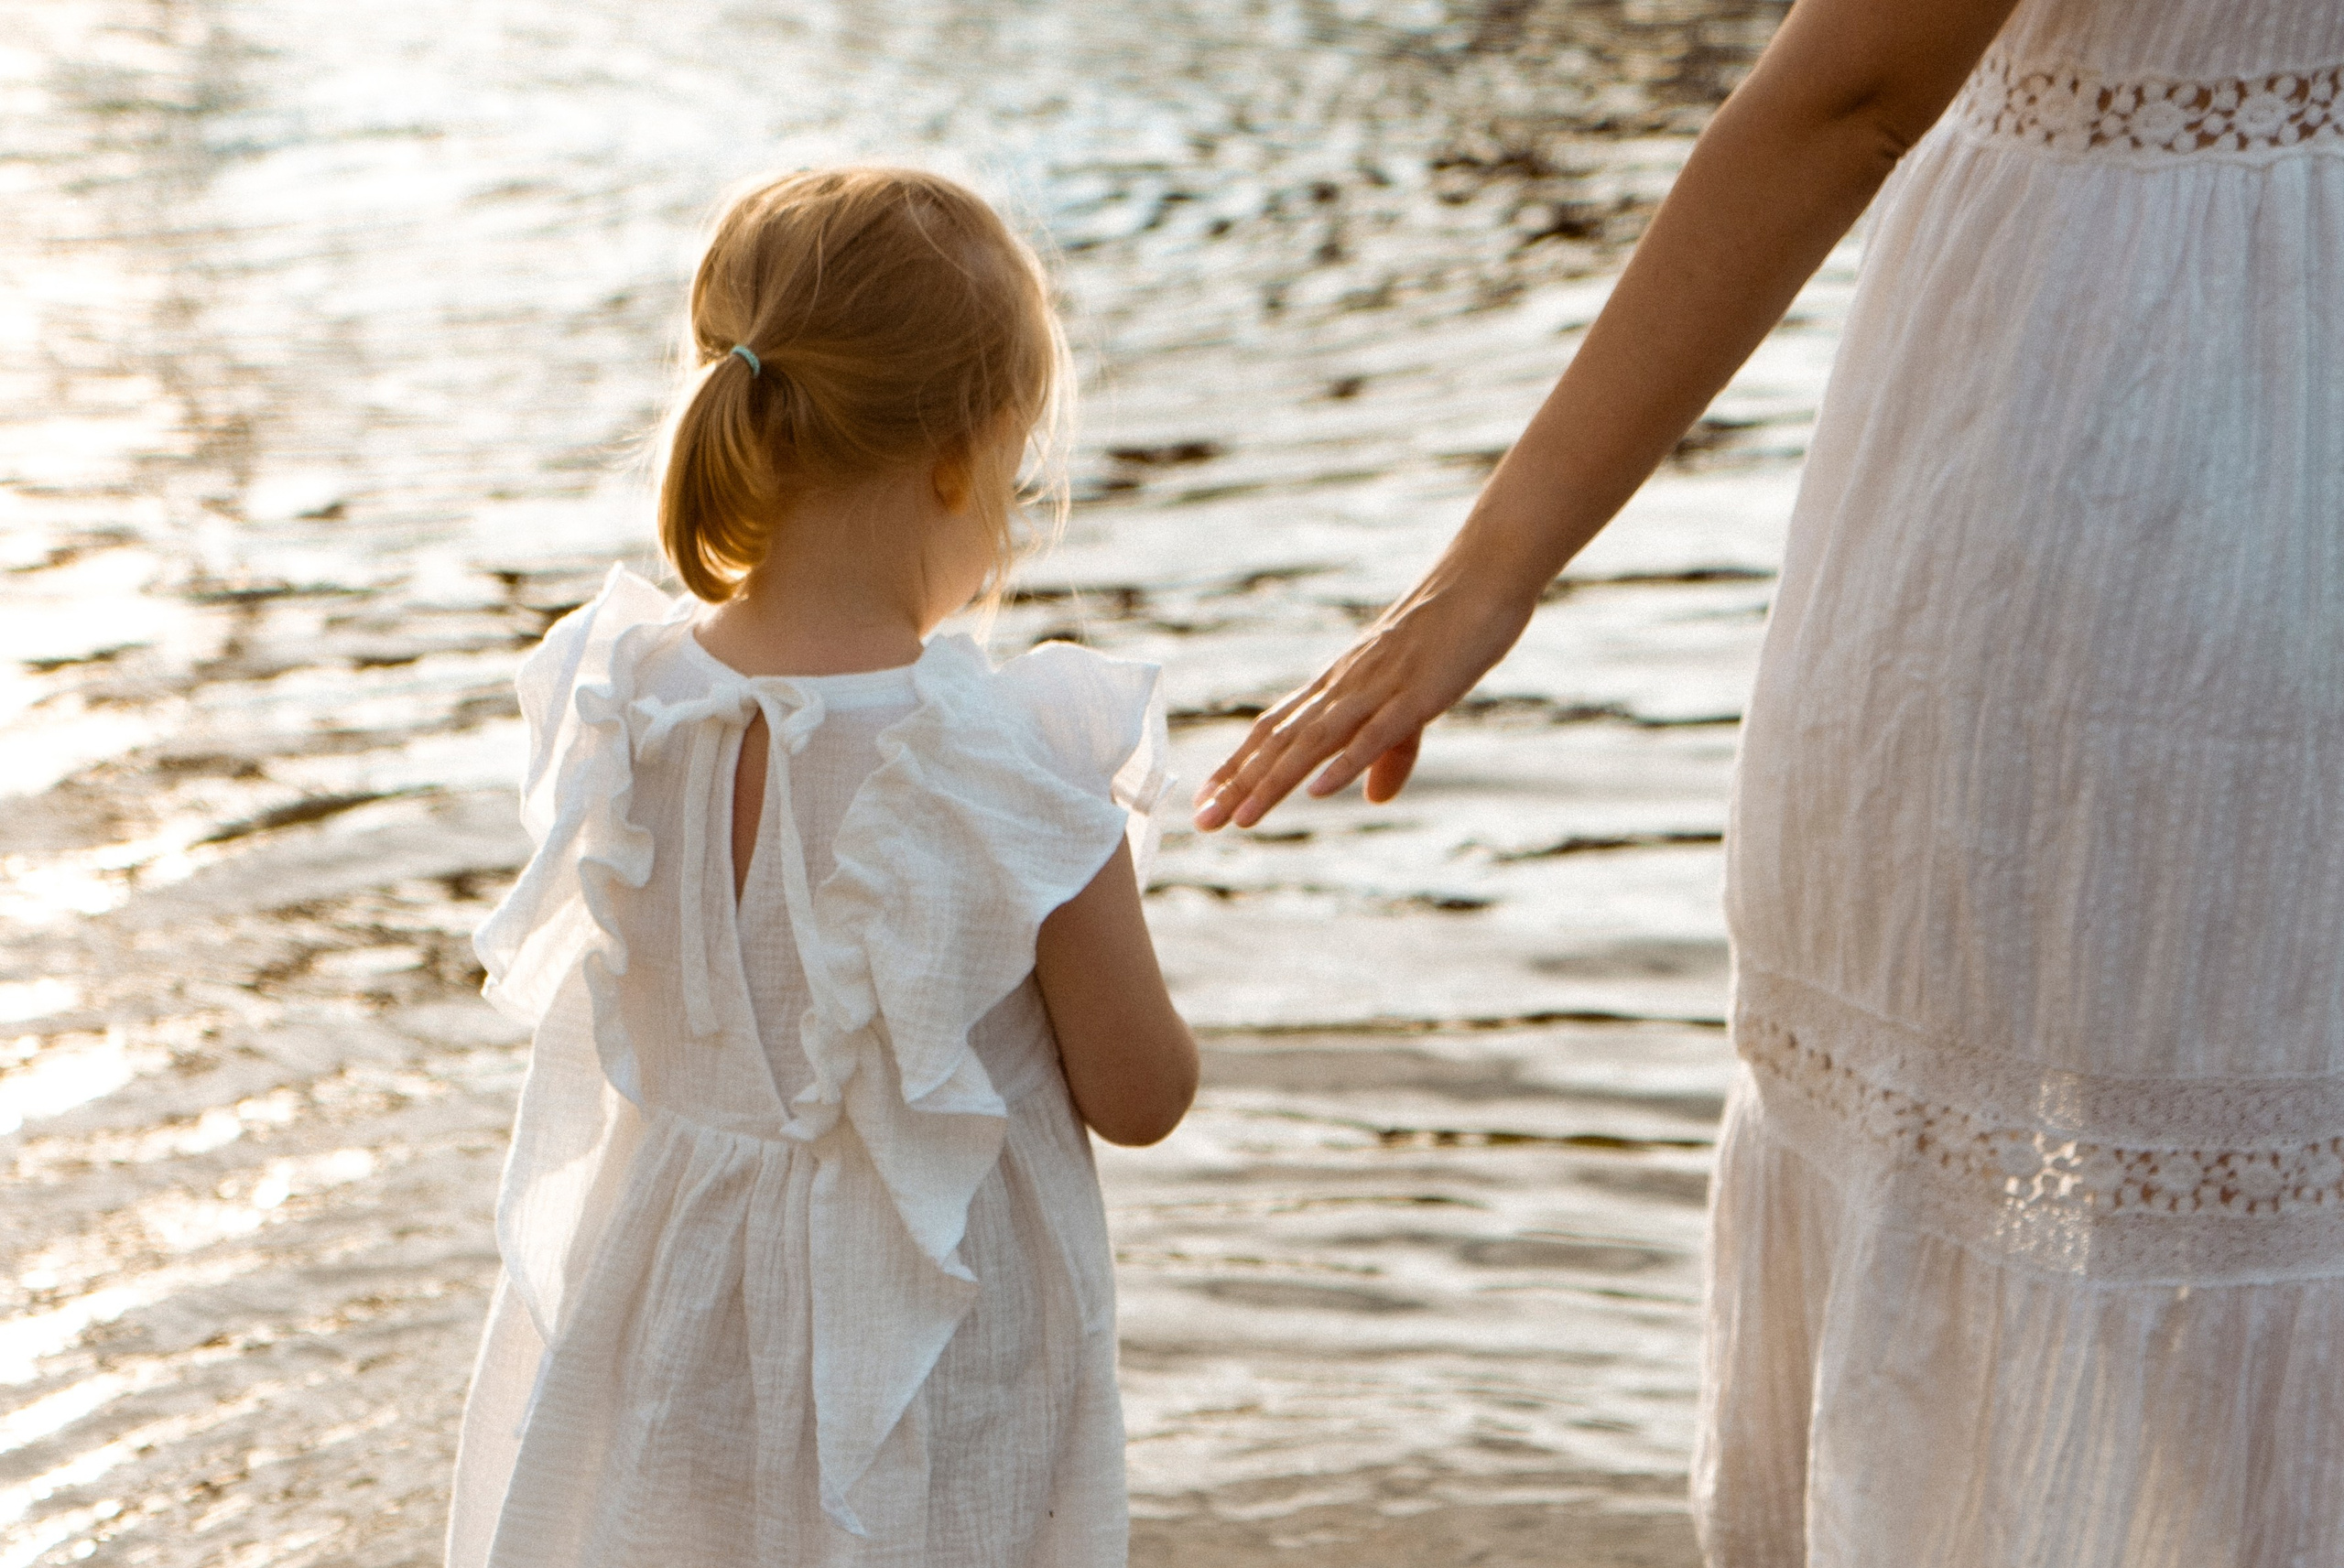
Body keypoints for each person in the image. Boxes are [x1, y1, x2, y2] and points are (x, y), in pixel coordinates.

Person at [1196, 0, 2342, 1558]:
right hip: (2249, 410)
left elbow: (1854, 93)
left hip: (2130, 466)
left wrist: (1489, 570)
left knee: (2098, 1265)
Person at [445, 167, 1198, 1568]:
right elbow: (1142, 1091)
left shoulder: (621, 693)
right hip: (929, 1347)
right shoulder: (1015, 754)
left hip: (674, 1322)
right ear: (960, 460)